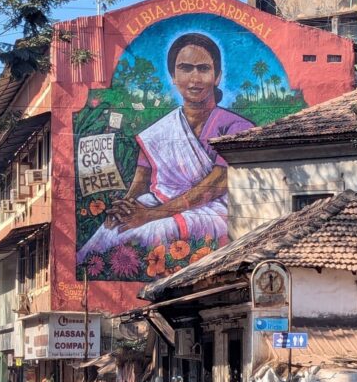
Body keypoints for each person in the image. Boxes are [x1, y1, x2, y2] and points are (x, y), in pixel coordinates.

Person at [77, 33, 255, 268]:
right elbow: (142, 179)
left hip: (213, 210)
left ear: (217, 76)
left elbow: (212, 189)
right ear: (173, 76)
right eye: (185, 68)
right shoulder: (159, 130)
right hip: (160, 201)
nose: (194, 78)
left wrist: (150, 215)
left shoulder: (236, 126)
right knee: (111, 229)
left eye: (203, 69)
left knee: (149, 231)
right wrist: (125, 206)